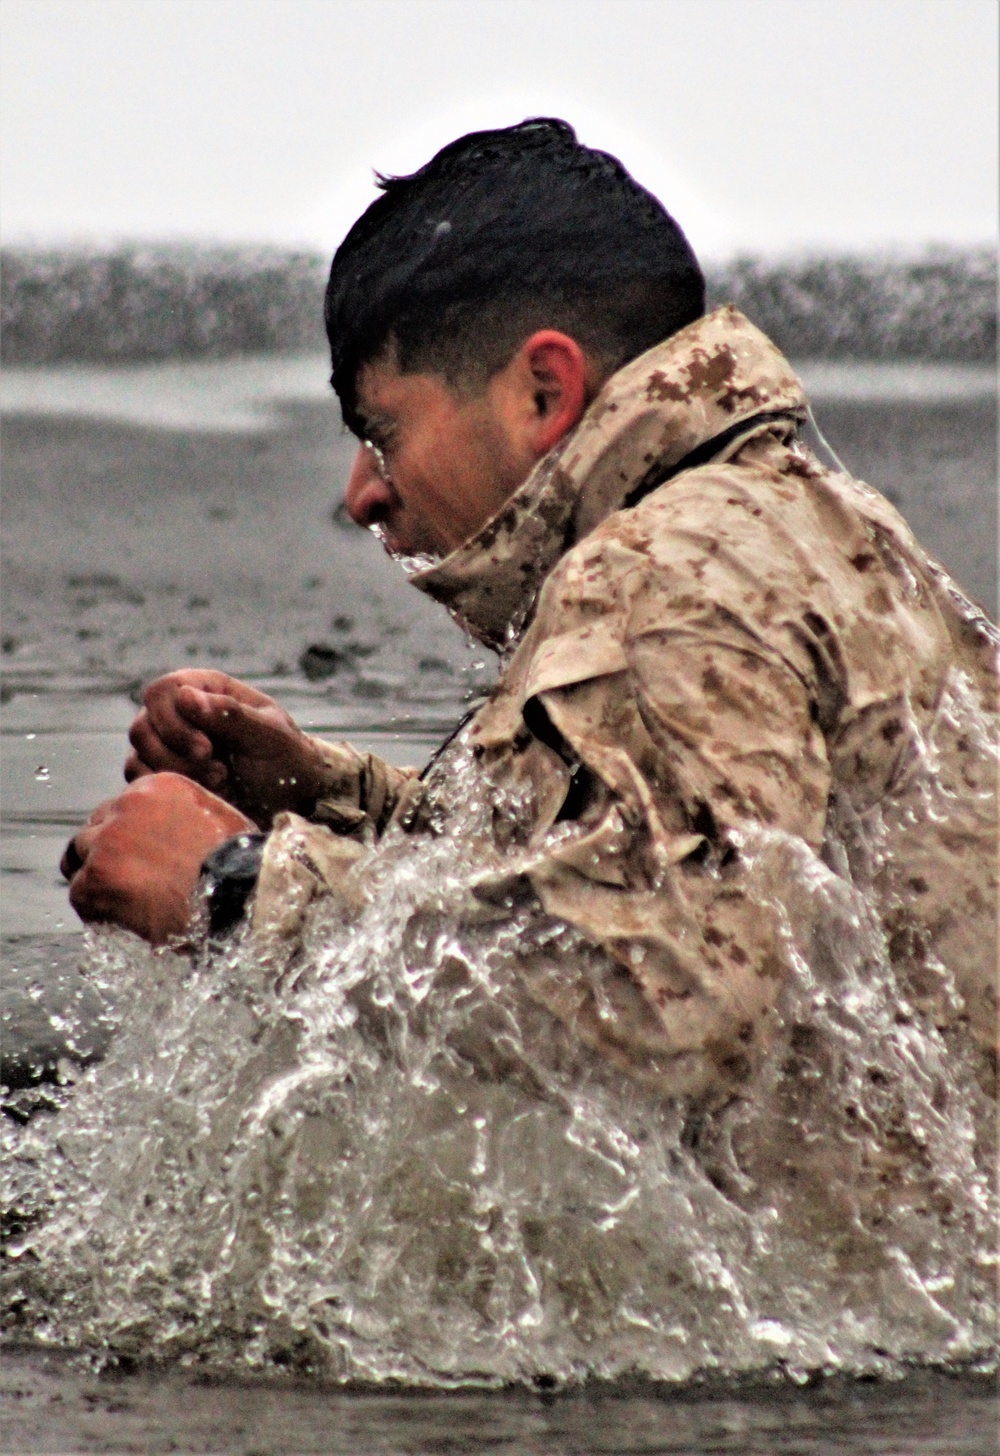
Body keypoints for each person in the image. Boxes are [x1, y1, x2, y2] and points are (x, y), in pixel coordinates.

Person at [61, 119, 998, 1104]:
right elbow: (642, 861)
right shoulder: (808, 522)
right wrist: (325, 793)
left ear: (543, 391)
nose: (361, 494)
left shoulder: (655, 575)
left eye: (381, 433)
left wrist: (237, 888)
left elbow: (665, 987)